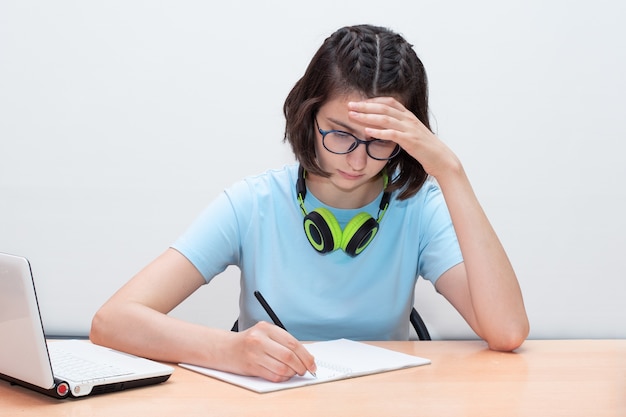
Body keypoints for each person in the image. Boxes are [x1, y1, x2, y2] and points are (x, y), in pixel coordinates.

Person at [90, 24, 529, 382]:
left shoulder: (418, 206)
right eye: (340, 133)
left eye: (382, 141)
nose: (358, 160)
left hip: (385, 401)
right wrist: (230, 350)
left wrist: (450, 170)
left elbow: (507, 331)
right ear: (308, 116)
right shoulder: (253, 202)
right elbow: (112, 321)